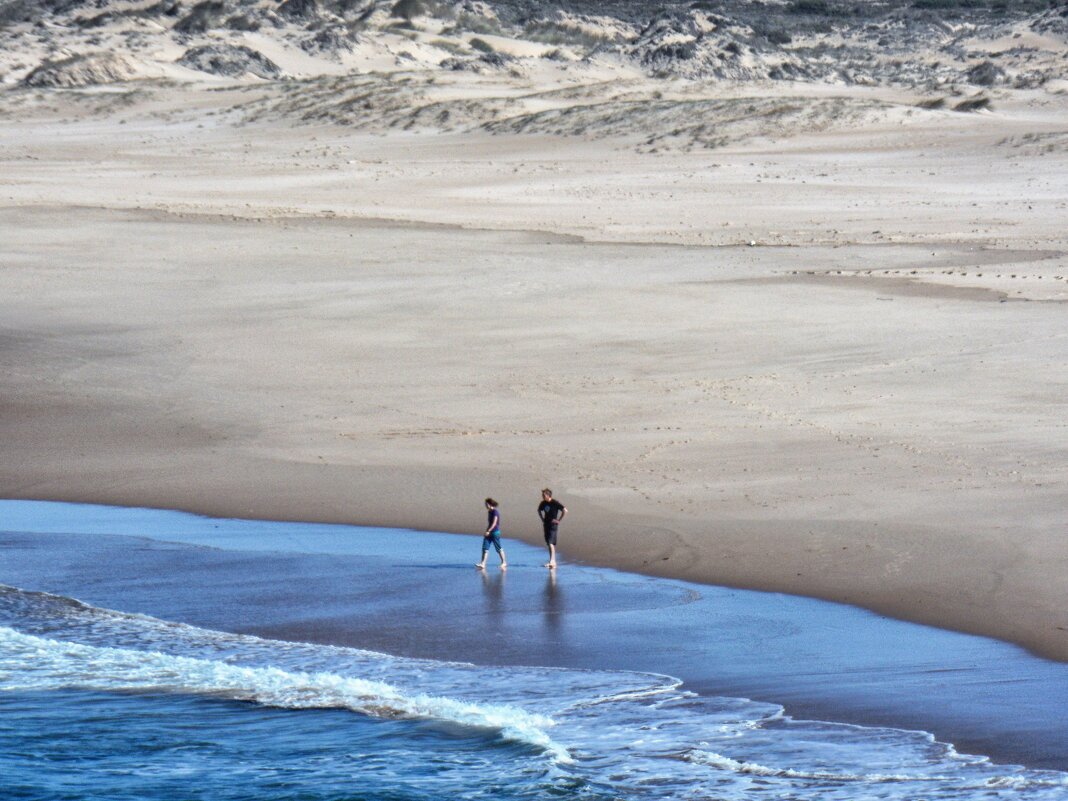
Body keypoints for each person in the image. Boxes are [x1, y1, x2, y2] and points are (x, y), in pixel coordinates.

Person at [537, 488, 567, 569]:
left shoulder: (555, 502)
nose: (542, 496)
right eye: (542, 495)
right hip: (546, 524)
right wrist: (542, 518)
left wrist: (559, 520)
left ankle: (553, 561)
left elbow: (565, 510)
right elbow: (539, 510)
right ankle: (552, 561)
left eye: (544, 495)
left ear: (548, 495)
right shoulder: (543, 503)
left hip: (553, 524)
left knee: (551, 542)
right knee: (548, 543)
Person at [476, 498, 507, 570]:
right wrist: (487, 530)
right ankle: (483, 563)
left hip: (495, 532)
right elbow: (489, 523)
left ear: (490, 504)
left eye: (486, 504)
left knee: (498, 548)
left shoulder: (495, 512)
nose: (486, 505)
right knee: (485, 547)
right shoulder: (489, 512)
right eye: (485, 504)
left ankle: (504, 562)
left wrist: (489, 530)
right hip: (489, 532)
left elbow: (494, 523)